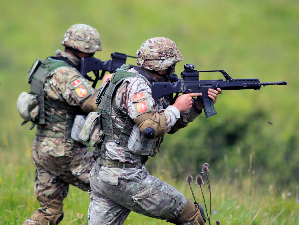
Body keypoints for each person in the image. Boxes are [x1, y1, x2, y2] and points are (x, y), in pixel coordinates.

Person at [87, 37, 222, 225]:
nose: (173, 71)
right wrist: (176, 107)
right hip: (126, 178)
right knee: (193, 217)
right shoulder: (137, 86)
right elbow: (151, 128)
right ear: (161, 67)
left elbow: (167, 125)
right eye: (171, 66)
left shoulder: (126, 76)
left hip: (104, 174)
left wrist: (194, 108)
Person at [21, 24, 103, 225]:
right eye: (91, 53)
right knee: (109, 189)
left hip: (43, 149)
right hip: (65, 150)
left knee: (49, 212)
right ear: (84, 51)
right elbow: (93, 104)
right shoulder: (67, 75)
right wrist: (107, 83)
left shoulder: (46, 66)